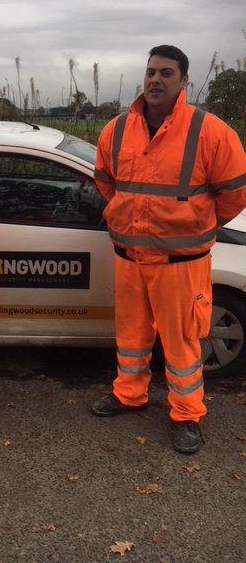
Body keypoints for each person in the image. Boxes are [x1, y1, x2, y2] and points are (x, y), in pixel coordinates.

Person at [91, 45, 246, 453]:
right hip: (129, 258)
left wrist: (197, 225)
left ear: (184, 82)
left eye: (166, 73)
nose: (155, 80)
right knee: (131, 336)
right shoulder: (117, 129)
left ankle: (187, 414)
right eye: (150, 72)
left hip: (181, 263)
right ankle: (129, 394)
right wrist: (120, 213)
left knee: (182, 343)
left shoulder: (210, 131)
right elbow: (105, 181)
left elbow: (234, 193)